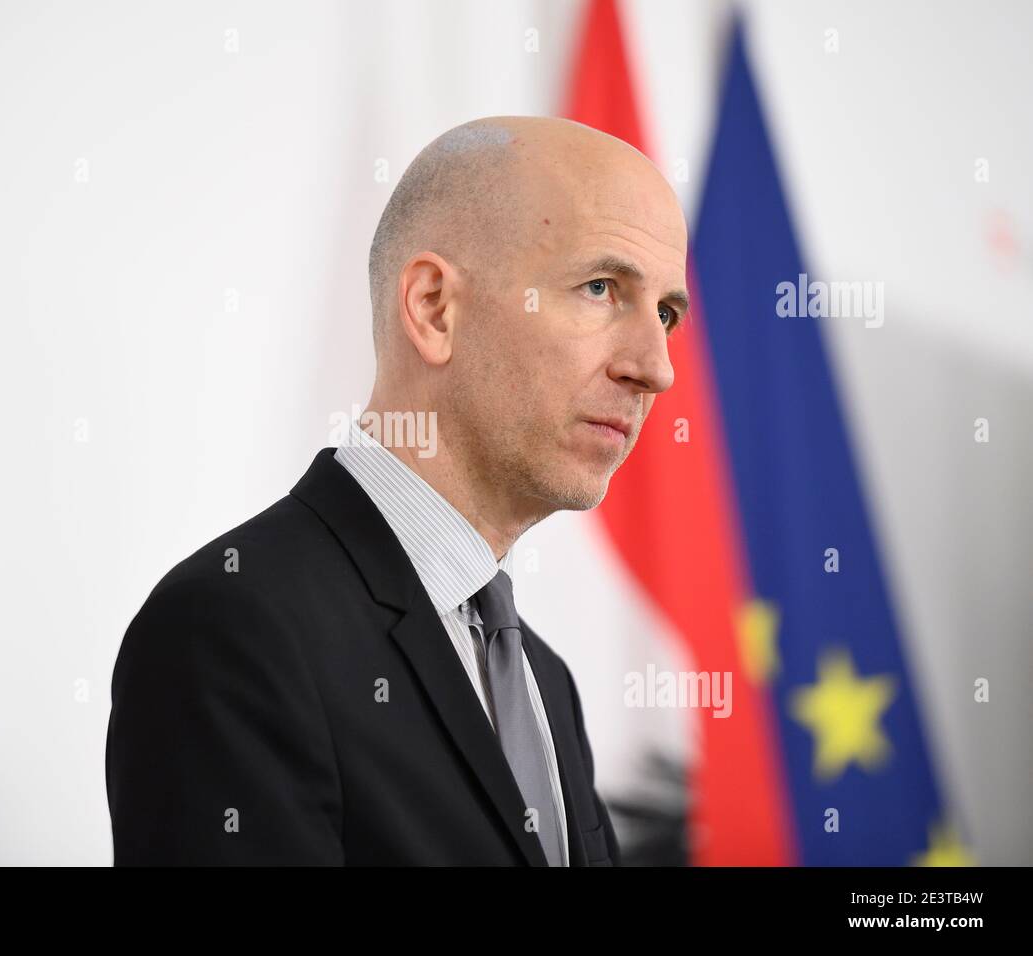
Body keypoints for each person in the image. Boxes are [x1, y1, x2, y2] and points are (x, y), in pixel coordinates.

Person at [106, 115, 688, 865]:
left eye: (667, 313)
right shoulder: (231, 629)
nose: (657, 366)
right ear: (433, 309)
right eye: (603, 288)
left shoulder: (545, 680)